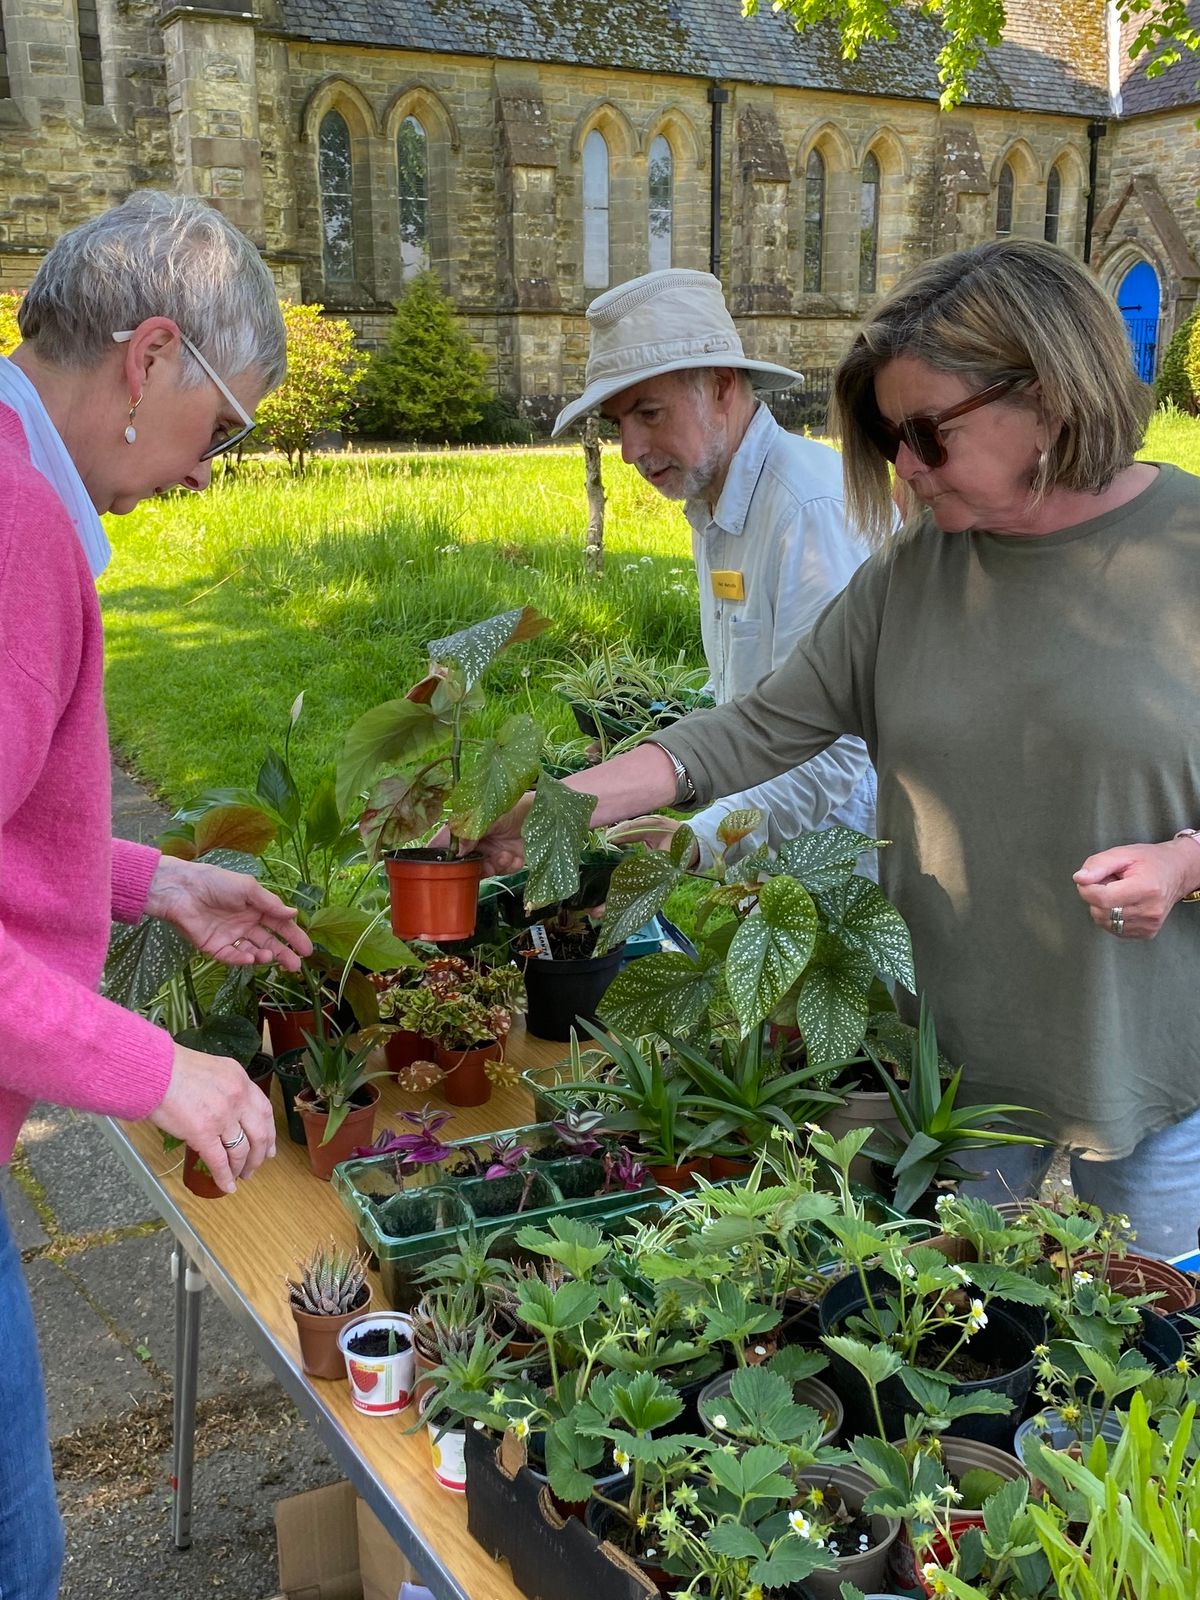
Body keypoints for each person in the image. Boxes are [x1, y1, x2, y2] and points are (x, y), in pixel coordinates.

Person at [479, 239, 1200, 1260]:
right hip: (951, 1074)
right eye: (884, 433)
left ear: (1043, 393)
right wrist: (563, 801)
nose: (902, 465)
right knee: (943, 1351)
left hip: (1157, 1068)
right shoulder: (916, 575)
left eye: (924, 433)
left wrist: (1185, 863)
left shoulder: (1187, 550)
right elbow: (756, 728)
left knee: (1147, 1373)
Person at [0, 191, 313, 1600]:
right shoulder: (14, 535)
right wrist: (158, 1068)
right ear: (150, 357)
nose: (210, 473)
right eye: (226, 428)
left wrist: (150, 877)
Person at [552, 268, 876, 870]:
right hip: (775, 862)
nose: (629, 450)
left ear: (723, 387)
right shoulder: (714, 502)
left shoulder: (809, 511)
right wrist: (632, 757)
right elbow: (752, 695)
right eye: (617, 423)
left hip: (850, 871)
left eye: (649, 413)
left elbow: (836, 748)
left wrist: (698, 840)